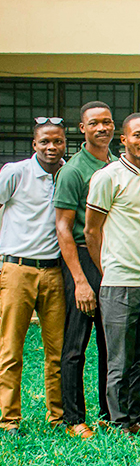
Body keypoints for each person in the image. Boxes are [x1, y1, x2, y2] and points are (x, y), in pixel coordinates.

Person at [84, 114, 140, 435]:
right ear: (124, 140)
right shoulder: (108, 177)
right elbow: (91, 231)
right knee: (119, 360)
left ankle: (135, 418)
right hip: (119, 283)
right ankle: (118, 422)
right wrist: (108, 270)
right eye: (138, 135)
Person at [0, 119, 67, 436]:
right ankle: (9, 419)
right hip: (18, 270)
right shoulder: (15, 172)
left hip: (54, 272)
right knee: (11, 350)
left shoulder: (68, 174)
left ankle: (58, 416)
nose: (51, 148)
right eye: (45, 142)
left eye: (57, 141)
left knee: (58, 352)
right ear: (34, 144)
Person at [53, 101, 114, 432]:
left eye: (107, 122)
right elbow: (63, 228)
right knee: (75, 347)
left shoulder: (118, 165)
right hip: (81, 261)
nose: (102, 128)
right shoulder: (74, 171)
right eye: (94, 123)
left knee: (111, 344)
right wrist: (80, 280)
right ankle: (74, 418)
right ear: (82, 128)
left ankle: (109, 414)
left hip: (112, 262)